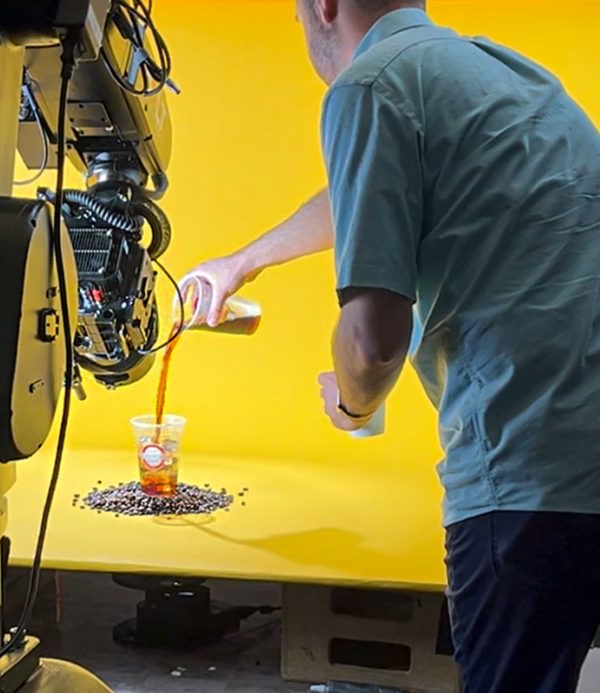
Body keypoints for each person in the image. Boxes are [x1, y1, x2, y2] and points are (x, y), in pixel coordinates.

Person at [180, 1, 600, 690]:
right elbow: (376, 186)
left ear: (324, 6)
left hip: (525, 481)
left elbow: (374, 342)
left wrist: (350, 405)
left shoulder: (369, 85)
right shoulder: (502, 74)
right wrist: (243, 261)